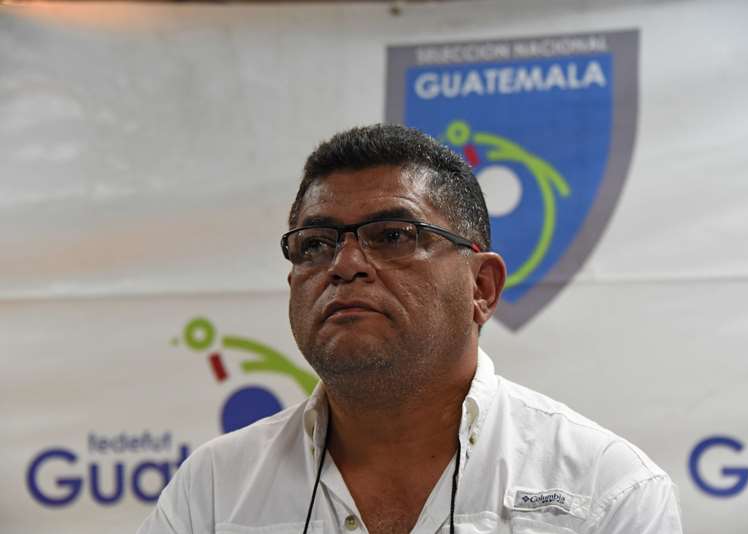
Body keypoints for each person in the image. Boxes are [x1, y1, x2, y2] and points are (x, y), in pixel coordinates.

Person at [138, 124, 683, 534]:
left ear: (483, 288)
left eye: (392, 235)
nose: (344, 264)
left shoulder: (604, 490)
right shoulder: (212, 491)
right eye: (315, 244)